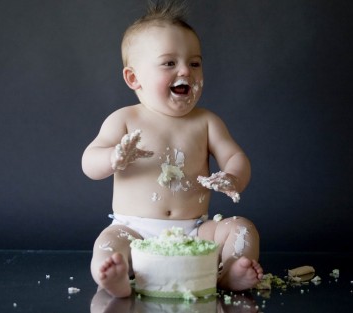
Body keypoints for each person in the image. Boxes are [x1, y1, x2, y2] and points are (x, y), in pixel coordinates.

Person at [82, 0, 263, 298]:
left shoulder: (206, 122)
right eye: (169, 63)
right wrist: (113, 158)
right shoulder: (125, 120)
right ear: (133, 78)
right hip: (135, 229)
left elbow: (235, 156)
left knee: (243, 229)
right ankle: (114, 277)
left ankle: (229, 271)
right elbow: (89, 162)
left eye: (194, 63)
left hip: (194, 231)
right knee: (107, 245)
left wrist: (232, 176)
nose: (186, 71)